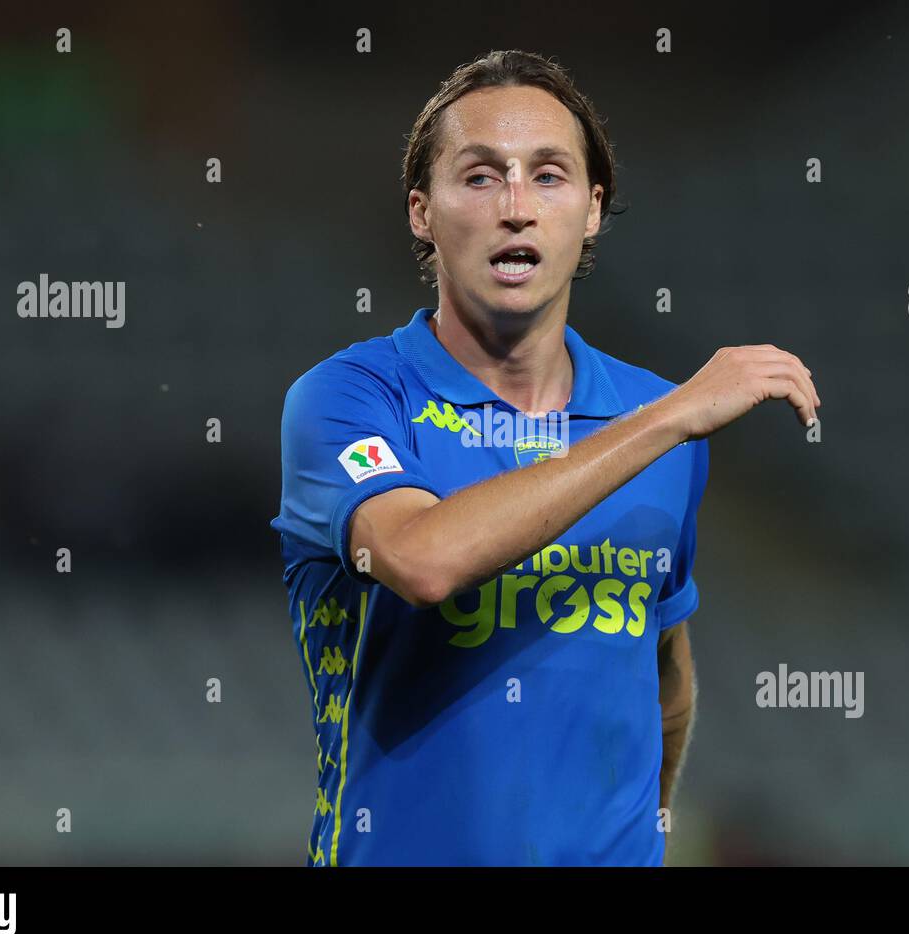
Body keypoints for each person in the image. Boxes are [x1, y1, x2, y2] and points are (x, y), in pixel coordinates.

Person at [271, 50, 820, 866]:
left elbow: (666, 668)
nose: (517, 207)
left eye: (549, 176)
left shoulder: (662, 429)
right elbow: (422, 561)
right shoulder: (347, 400)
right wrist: (668, 418)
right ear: (423, 213)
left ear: (593, 211)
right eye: (481, 176)